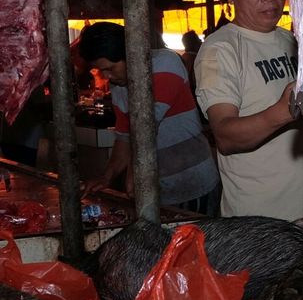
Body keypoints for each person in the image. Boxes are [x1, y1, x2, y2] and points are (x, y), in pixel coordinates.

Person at [193, 0, 303, 220]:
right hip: (263, 225)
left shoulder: (292, 41)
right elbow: (225, 135)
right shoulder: (220, 50)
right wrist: (283, 111)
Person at [78, 21, 220, 213]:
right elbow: (124, 137)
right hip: (158, 192)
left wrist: (134, 174)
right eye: (101, 70)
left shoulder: (165, 63)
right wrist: (107, 177)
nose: (106, 76)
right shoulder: (119, 86)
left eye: (110, 68)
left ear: (129, 54)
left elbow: (146, 125)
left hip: (192, 185)